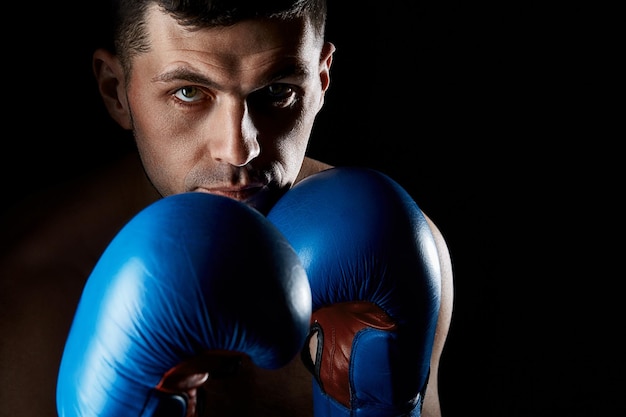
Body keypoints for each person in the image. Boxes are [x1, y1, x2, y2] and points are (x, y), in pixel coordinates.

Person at [0, 1, 454, 416]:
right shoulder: (32, 297)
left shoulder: (396, 251)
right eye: (189, 93)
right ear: (116, 90)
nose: (238, 148)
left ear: (320, 81)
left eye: (277, 91)